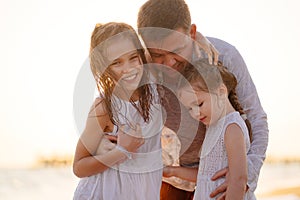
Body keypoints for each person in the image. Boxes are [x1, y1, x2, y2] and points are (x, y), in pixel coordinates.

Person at [137, 0, 269, 199]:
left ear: (191, 32)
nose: (169, 63)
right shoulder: (140, 68)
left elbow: (256, 119)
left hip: (220, 180)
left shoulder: (224, 56)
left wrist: (244, 175)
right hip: (170, 182)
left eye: (176, 51)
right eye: (158, 55)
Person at [73, 22, 164, 200]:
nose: (128, 68)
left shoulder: (154, 88)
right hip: (105, 193)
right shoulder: (104, 108)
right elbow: (79, 167)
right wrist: (122, 150)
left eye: (133, 58)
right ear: (104, 68)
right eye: (116, 63)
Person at [168, 59, 254, 199]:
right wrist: (172, 171)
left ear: (221, 92)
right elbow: (207, 175)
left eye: (199, 104)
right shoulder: (213, 127)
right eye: (190, 108)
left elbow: (238, 181)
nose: (195, 113)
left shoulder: (231, 128)